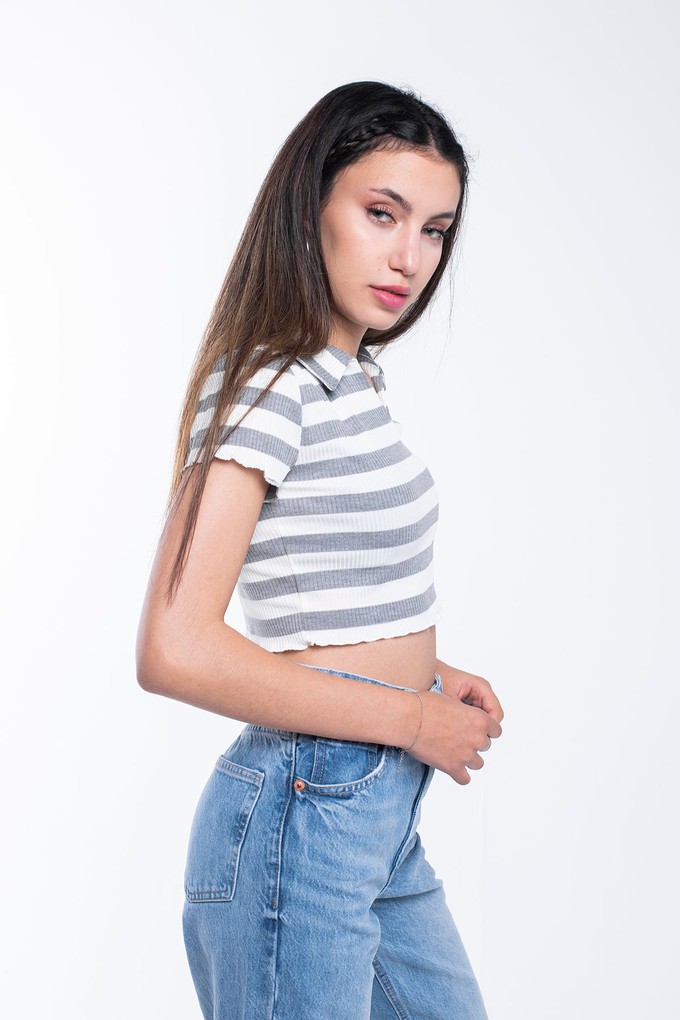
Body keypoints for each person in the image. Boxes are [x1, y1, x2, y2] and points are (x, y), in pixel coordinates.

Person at [136, 80, 504, 1020]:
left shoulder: (350, 380)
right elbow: (175, 647)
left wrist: (429, 674)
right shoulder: (270, 384)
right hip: (306, 811)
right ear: (312, 207)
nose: (409, 257)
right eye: (383, 213)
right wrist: (411, 718)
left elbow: (326, 598)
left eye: (434, 230)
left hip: (375, 817)